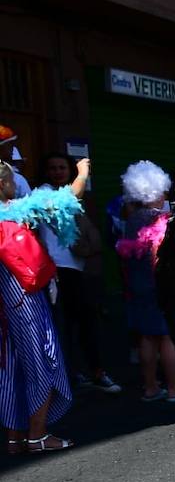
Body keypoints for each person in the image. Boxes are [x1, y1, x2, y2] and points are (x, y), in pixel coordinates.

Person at [0, 158, 86, 453]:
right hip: (26, 299)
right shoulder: (15, 211)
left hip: (5, 304)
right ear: (2, 184)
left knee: (12, 365)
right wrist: (83, 172)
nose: (16, 184)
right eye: (11, 179)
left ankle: (14, 439)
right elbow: (69, 198)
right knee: (41, 360)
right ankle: (37, 436)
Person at [115, 161, 175, 404]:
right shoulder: (160, 221)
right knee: (167, 337)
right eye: (162, 190)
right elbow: (160, 257)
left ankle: (151, 387)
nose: (165, 194)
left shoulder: (132, 220)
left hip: (138, 286)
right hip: (158, 286)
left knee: (146, 336)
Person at [36, 153, 119, 395]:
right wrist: (82, 173)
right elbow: (70, 199)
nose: (58, 171)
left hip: (75, 268)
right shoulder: (44, 193)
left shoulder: (67, 190)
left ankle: (93, 372)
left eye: (62, 167)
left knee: (85, 323)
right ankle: (74, 375)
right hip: (56, 271)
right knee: (65, 326)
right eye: (52, 168)